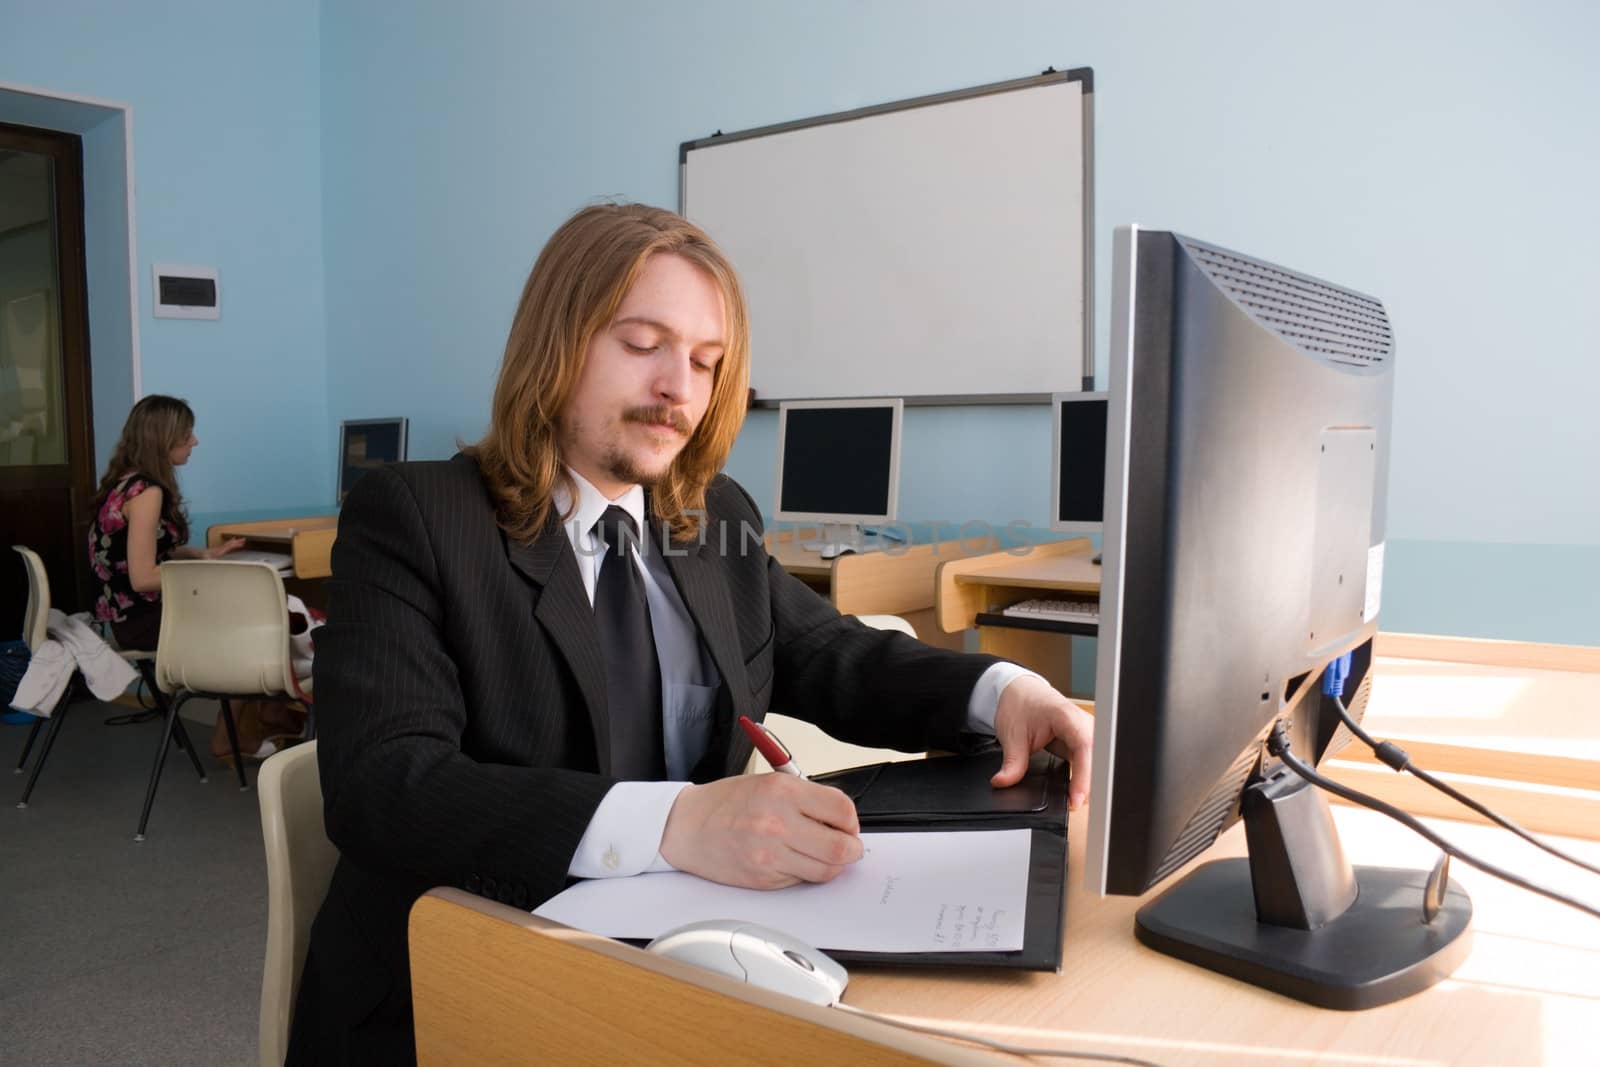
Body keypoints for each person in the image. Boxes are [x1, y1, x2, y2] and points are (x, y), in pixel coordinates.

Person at [288, 203, 1094, 1064]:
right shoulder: (417, 516)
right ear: (555, 343)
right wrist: (678, 822)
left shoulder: (711, 520)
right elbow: (386, 782)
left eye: (708, 363)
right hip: (467, 989)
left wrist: (1007, 690)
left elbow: (826, 650)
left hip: (681, 971)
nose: (680, 387)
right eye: (643, 345)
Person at [87, 395, 244, 651]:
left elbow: (136, 554)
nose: (195, 441)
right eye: (187, 434)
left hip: (128, 621)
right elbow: (142, 578)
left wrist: (200, 555)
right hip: (145, 624)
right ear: (164, 439)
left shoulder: (125, 483)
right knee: (263, 613)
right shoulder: (147, 493)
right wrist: (213, 575)